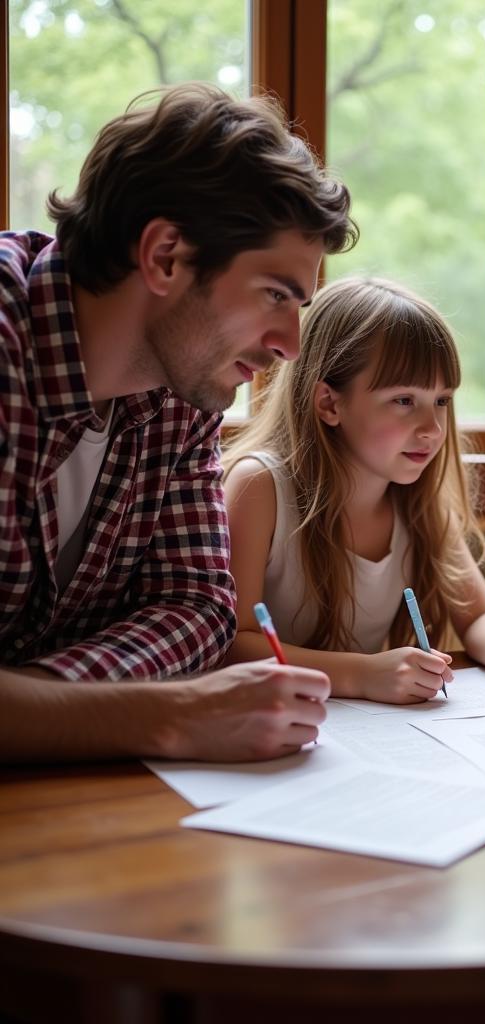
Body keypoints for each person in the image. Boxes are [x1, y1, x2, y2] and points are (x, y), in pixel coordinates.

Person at [1, 82, 357, 763]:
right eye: (275, 294)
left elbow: (195, 609)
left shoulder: (184, 396)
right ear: (165, 256)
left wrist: (46, 711)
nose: (290, 343)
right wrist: (158, 716)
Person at [221, 276, 485, 702]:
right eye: (403, 400)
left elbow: (480, 616)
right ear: (329, 403)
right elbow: (231, 643)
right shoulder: (259, 487)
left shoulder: (418, 501)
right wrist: (361, 674)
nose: (433, 429)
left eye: (442, 401)